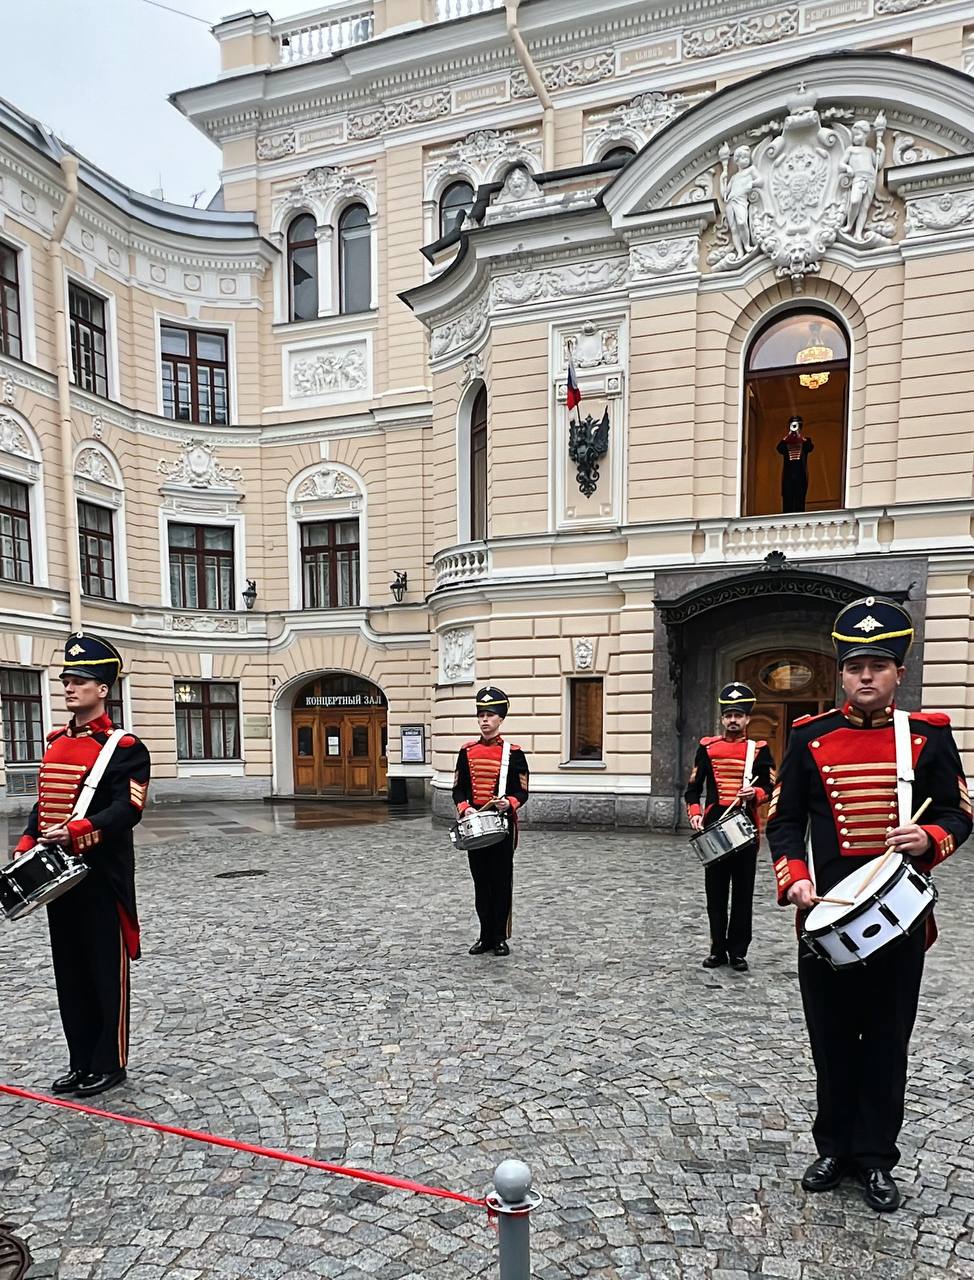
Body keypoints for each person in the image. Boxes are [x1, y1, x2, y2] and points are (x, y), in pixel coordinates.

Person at [766, 596, 970, 1212]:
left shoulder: (928, 736)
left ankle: (877, 1157)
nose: (866, 676)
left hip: (900, 920)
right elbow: (784, 820)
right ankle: (833, 1146)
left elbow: (961, 811)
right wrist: (794, 877)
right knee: (829, 1038)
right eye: (855, 665)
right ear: (841, 672)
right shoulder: (809, 736)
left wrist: (931, 839)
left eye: (878, 665)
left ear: (898, 672)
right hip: (824, 914)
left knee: (885, 1041)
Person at [10, 633, 151, 1098]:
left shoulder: (125, 747)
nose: (69, 688)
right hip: (58, 876)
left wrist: (77, 831)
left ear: (103, 688)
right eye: (67, 680)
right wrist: (28, 840)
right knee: (69, 972)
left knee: (103, 971)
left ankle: (109, 1063)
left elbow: (125, 811)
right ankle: (80, 1060)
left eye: (80, 680)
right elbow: (44, 803)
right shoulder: (55, 743)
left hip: (99, 877)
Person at [685, 682, 775, 972]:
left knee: (743, 892)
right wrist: (695, 813)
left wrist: (757, 794)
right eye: (728, 715)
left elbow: (771, 786)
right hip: (714, 825)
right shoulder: (707, 748)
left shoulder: (759, 750)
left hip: (745, 825)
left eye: (739, 715)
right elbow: (692, 788)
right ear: (722, 719)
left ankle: (738, 951)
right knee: (716, 892)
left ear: (747, 719)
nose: (733, 720)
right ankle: (717, 949)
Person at [452, 686, 529, 958]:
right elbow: (458, 789)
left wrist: (509, 803)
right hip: (476, 828)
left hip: (502, 828)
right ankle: (484, 935)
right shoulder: (467, 751)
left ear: (501, 719)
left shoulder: (514, 753)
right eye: (481, 715)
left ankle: (499, 936)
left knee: (501, 881)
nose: (485, 720)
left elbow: (522, 791)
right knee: (481, 882)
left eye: (490, 715)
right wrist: (466, 809)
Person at [777, 415, 814, 513]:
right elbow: (779, 448)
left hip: (800, 473)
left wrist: (799, 436)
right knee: (788, 495)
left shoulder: (805, 440)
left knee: (800, 495)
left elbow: (810, 447)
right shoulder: (786, 441)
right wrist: (788, 435)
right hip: (789, 474)